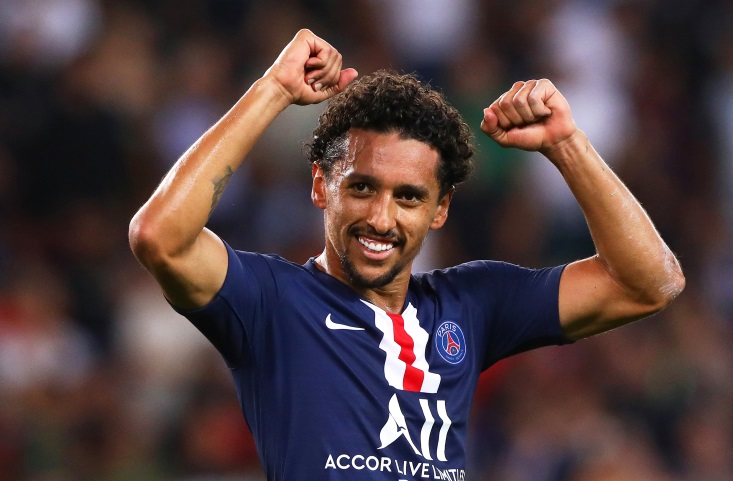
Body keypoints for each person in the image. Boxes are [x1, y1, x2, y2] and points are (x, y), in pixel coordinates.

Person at [129, 29, 685, 481]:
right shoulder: (270, 302)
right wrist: (272, 90)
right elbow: (160, 236)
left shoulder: (472, 304)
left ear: (440, 210)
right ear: (321, 186)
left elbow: (648, 283)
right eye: (362, 187)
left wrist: (567, 145)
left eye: (409, 197)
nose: (382, 218)